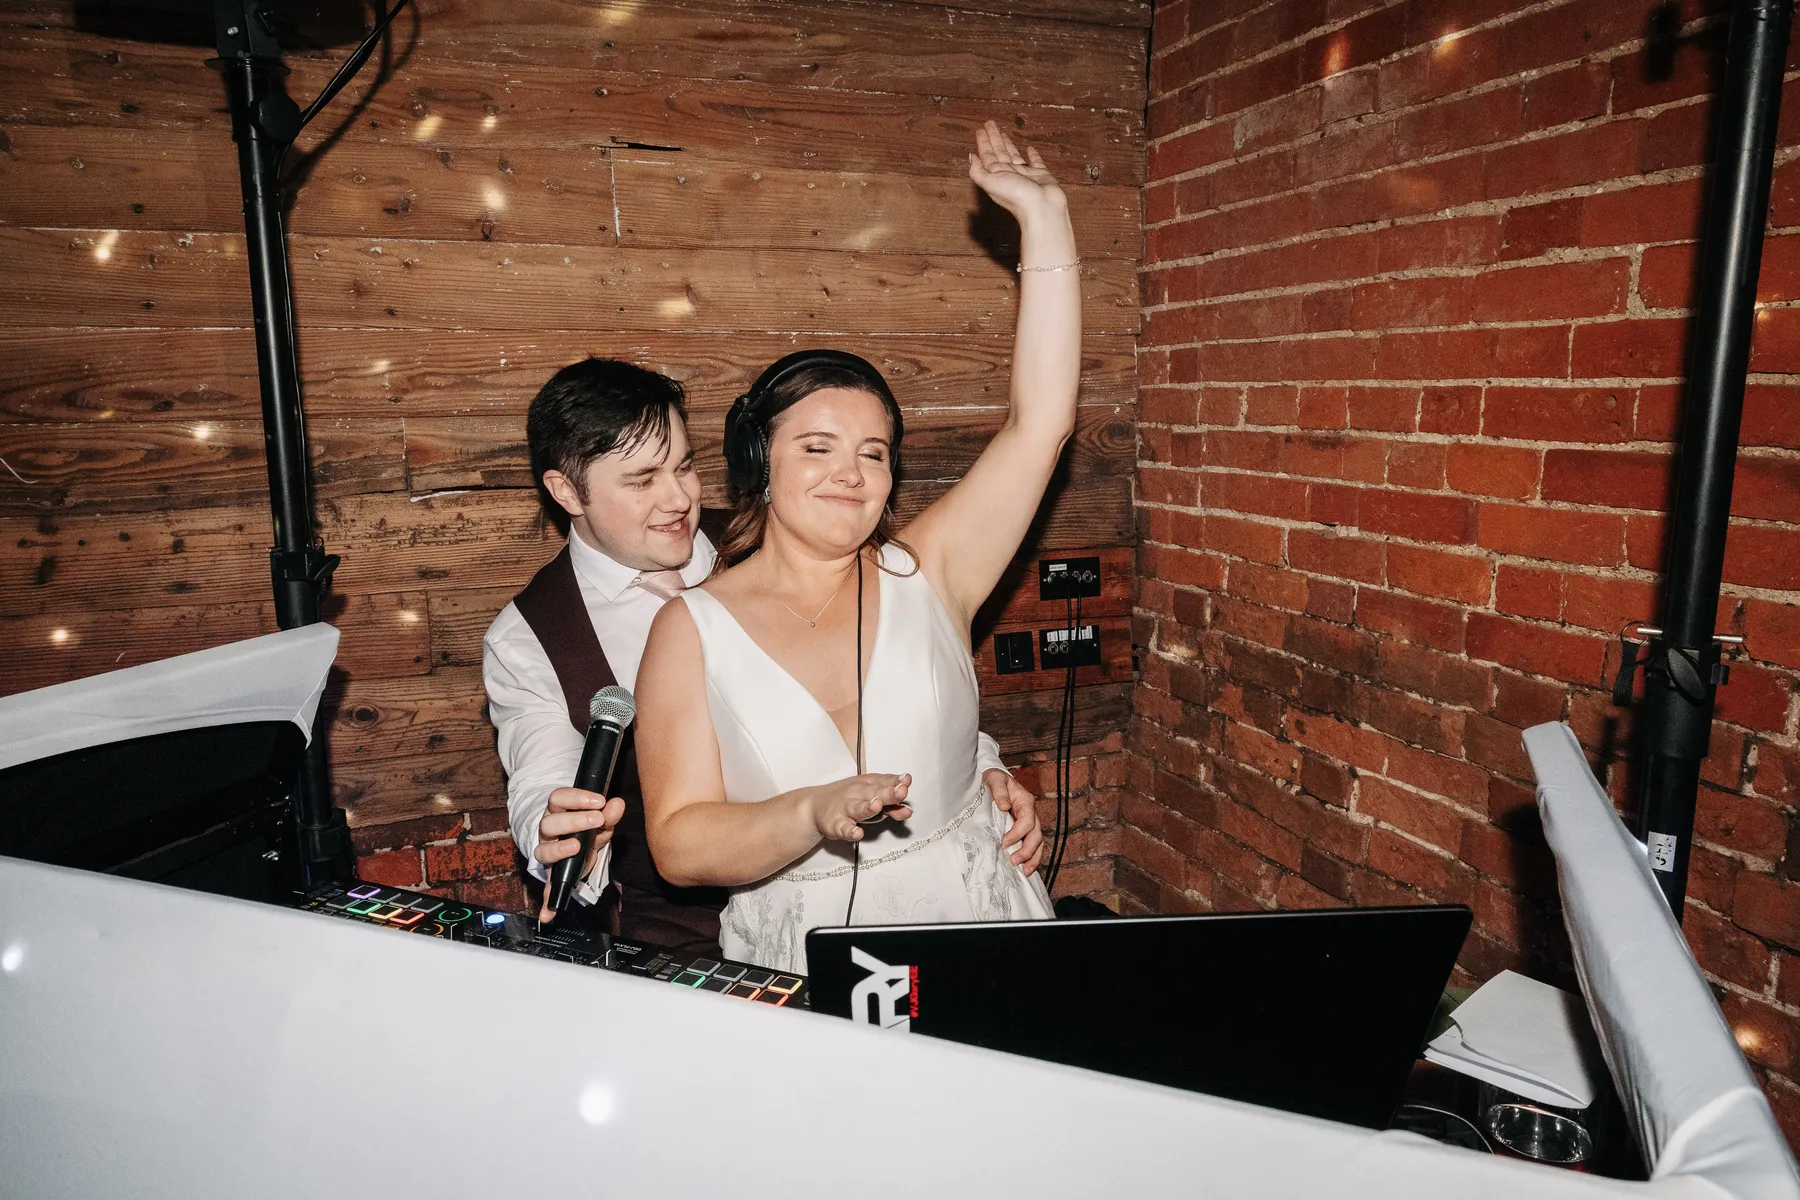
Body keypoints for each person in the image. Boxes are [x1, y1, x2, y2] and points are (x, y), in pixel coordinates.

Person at [635, 121, 1080, 973]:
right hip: (801, 953)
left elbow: (1041, 425)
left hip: (974, 922)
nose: (851, 473)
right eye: (818, 448)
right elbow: (681, 841)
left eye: (873, 453)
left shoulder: (931, 572)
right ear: (760, 464)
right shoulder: (691, 630)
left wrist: (1046, 218)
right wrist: (808, 814)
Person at [482, 356, 1044, 957]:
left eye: (685, 466)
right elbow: (543, 780)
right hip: (685, 932)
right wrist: (559, 834)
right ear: (567, 491)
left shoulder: (784, 531)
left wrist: (979, 768)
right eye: (643, 480)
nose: (679, 498)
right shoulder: (529, 636)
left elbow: (894, 666)